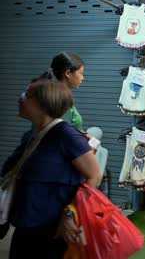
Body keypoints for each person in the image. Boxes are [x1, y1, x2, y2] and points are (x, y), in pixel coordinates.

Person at [2, 78, 101, 258]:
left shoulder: (66, 135)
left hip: (54, 232)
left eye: (27, 94)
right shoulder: (31, 136)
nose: (20, 98)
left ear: (44, 102)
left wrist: (70, 214)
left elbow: (94, 175)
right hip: (25, 227)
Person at [41, 52, 85, 130]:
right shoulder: (59, 101)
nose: (83, 78)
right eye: (81, 73)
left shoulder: (51, 96)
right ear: (68, 73)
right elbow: (59, 136)